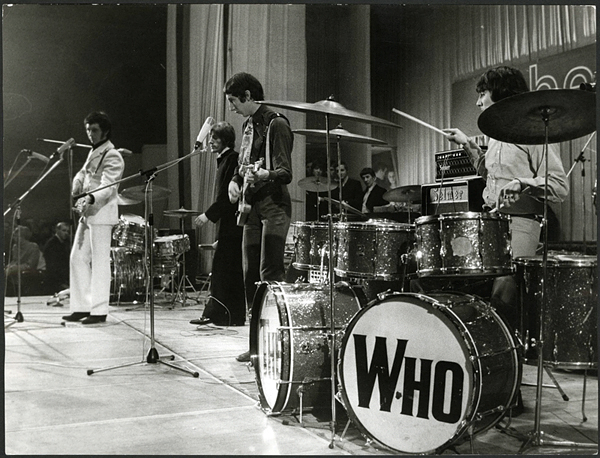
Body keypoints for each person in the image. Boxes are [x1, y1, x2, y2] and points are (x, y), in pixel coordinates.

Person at [443, 66, 569, 331]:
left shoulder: (533, 133)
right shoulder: (497, 133)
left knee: (503, 295)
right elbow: (490, 174)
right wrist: (467, 143)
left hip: (522, 222)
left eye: (482, 94)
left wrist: (522, 183)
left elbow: (559, 186)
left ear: (499, 93)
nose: (478, 102)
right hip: (494, 222)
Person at [225, 72, 293, 362]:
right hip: (252, 207)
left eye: (233, 101)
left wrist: (267, 174)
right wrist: (235, 181)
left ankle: (280, 343)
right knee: (250, 276)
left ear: (248, 96)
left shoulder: (276, 122)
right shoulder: (249, 124)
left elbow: (285, 172)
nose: (231, 108)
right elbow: (245, 165)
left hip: (274, 207)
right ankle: (256, 344)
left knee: (270, 274)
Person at [62, 111, 125, 324]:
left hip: (101, 213)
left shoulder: (112, 154)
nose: (90, 134)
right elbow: (84, 173)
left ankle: (99, 311)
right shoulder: (95, 151)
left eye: (94, 130)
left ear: (105, 131)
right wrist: (77, 182)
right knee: (77, 258)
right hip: (88, 213)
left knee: (99, 263)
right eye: (88, 130)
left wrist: (89, 197)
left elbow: (109, 186)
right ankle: (81, 306)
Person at [190, 122, 245, 327]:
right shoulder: (224, 159)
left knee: (225, 270)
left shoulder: (232, 159)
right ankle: (220, 314)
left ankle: (223, 314)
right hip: (228, 224)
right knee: (223, 270)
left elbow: (226, 197)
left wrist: (207, 215)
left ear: (225, 140)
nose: (211, 142)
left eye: (215, 138)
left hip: (233, 224)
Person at [5, 225, 46, 296]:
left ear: (24, 237)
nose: (15, 239)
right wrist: (9, 267)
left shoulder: (33, 247)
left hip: (31, 274)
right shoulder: (15, 247)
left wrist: (13, 269)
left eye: (17, 237)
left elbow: (31, 265)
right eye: (14, 236)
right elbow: (14, 261)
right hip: (16, 272)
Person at [42, 221, 71, 294]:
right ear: (57, 230)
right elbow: (53, 265)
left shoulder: (64, 243)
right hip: (54, 280)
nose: (66, 233)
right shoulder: (52, 244)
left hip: (61, 278)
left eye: (67, 231)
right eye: (64, 230)